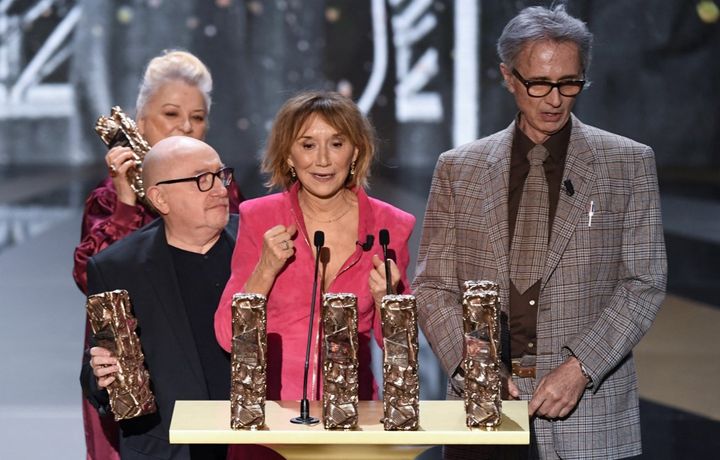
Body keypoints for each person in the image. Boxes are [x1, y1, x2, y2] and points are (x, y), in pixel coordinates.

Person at [413, 5, 666, 460]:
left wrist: (581, 368)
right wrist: (475, 367)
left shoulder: (627, 163)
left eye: (570, 83)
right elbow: (433, 287)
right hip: (482, 410)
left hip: (587, 411)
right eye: (540, 84)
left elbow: (643, 282)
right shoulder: (459, 169)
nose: (555, 100)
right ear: (508, 76)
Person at [72, 50, 243, 459]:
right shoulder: (110, 200)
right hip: (152, 392)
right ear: (141, 120)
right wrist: (127, 203)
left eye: (198, 117)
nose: (186, 126)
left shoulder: (228, 200)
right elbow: (96, 278)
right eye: (171, 114)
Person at [214, 90, 416, 402]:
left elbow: (402, 352)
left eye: (336, 144)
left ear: (356, 153)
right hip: (270, 417)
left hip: (352, 418)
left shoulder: (390, 226)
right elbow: (229, 337)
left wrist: (387, 303)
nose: (322, 159)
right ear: (288, 156)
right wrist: (265, 270)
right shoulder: (259, 217)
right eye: (308, 145)